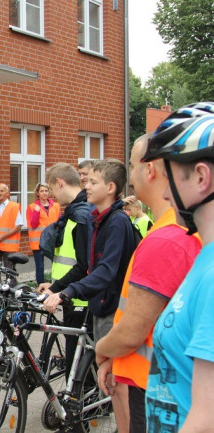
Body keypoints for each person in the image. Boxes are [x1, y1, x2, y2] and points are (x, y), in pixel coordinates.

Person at [94, 133, 201, 432]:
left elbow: (133, 330)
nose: (130, 176)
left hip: (153, 386)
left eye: (132, 165)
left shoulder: (165, 239)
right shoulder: (180, 228)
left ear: (150, 170)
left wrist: (102, 349)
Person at [44, 158, 137, 433]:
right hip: (100, 305)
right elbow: (87, 267)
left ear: (111, 187)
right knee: (108, 380)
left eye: (93, 182)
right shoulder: (99, 219)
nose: (86, 186)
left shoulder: (116, 222)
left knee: (117, 385)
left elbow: (106, 271)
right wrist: (58, 287)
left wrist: (68, 292)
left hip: (113, 309)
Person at [137, 102, 214, 432]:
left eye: (169, 178)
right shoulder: (204, 258)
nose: (165, 194)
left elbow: (207, 418)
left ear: (201, 177)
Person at [37, 164, 92, 379]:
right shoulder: (74, 212)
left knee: (76, 368)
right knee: (75, 362)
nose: (52, 195)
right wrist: (55, 285)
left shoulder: (80, 215)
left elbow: (83, 265)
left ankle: (81, 398)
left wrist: (57, 289)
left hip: (79, 300)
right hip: (70, 296)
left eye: (52, 189)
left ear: (60, 182)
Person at [26, 182, 60, 284]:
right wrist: (36, 212)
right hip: (38, 242)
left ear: (49, 192)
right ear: (37, 193)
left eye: (46, 191)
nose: (44, 193)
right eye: (42, 191)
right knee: (40, 266)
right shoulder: (32, 207)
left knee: (56, 264)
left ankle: (56, 285)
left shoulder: (56, 206)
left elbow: (59, 223)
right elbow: (33, 224)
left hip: (52, 241)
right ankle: (41, 287)